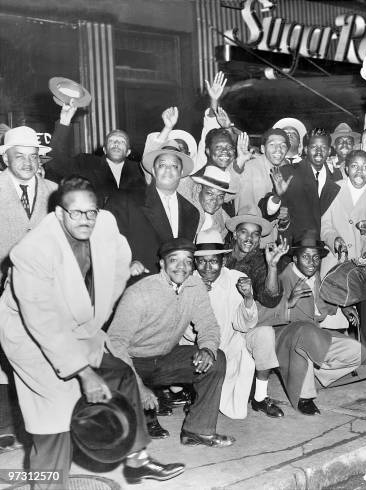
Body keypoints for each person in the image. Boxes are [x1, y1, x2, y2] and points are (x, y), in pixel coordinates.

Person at [0, 176, 184, 486]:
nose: (86, 220)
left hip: (73, 325)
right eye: (77, 213)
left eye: (91, 212)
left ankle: (137, 460)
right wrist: (84, 373)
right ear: (59, 214)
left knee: (121, 375)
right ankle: (47, 482)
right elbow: (43, 323)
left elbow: (117, 257)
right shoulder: (32, 251)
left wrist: (124, 273)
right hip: (29, 336)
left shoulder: (105, 224)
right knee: (55, 417)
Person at [106, 237, 234, 447]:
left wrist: (207, 350)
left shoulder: (195, 287)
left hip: (165, 359)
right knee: (123, 438)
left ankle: (197, 431)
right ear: (162, 264)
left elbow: (209, 325)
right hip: (130, 363)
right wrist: (138, 385)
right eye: (174, 260)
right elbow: (115, 344)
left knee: (217, 360)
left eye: (188, 261)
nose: (182, 267)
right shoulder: (139, 293)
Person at [258, 234, 365, 415]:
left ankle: (315, 372)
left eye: (316, 257)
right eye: (306, 256)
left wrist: (344, 306)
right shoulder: (281, 277)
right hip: (286, 339)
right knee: (305, 331)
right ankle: (304, 397)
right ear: (294, 258)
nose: (312, 262)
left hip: (314, 334)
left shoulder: (315, 275)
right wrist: (289, 303)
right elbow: (264, 315)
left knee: (357, 352)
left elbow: (323, 303)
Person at [0, 125, 57, 453]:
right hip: (1, 283)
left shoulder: (54, 190)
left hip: (43, 288)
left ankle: (45, 425)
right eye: (18, 156)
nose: (26, 162)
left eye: (32, 156)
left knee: (41, 352)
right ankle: (6, 425)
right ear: (5, 158)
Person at [192, 229, 284, 418]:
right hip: (199, 349)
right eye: (201, 261)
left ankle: (260, 396)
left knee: (264, 333)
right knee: (215, 402)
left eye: (214, 261)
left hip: (232, 346)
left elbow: (245, 325)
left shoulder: (235, 278)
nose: (207, 267)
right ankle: (193, 392)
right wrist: (197, 296)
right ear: (195, 262)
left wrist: (248, 298)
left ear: (223, 261)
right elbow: (185, 333)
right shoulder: (189, 281)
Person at [106, 141, 199, 279]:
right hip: (135, 286)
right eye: (162, 165)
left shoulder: (192, 212)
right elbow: (106, 240)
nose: (168, 170)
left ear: (181, 172)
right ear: (153, 170)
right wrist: (125, 264)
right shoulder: (125, 199)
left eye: (174, 166)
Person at [46, 101, 145, 207]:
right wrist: (64, 121)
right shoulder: (87, 163)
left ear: (128, 152)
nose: (116, 143)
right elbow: (57, 162)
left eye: (122, 141)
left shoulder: (139, 170)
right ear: (104, 150)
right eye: (111, 140)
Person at [262, 128, 341, 243]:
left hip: (323, 247)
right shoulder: (287, 172)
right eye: (314, 147)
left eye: (323, 148)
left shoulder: (336, 176)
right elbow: (267, 209)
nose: (319, 152)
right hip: (293, 246)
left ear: (329, 151)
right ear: (305, 150)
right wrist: (277, 197)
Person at [320, 149, 366, 262]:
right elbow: (324, 224)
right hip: (335, 259)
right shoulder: (332, 189)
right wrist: (334, 239)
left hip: (363, 261)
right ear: (347, 169)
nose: (360, 171)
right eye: (354, 166)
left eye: (365, 167)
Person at [225, 212, 290, 308]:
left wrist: (272, 267)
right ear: (235, 234)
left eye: (255, 234)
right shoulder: (221, 254)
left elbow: (270, 300)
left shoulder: (261, 261)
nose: (249, 238)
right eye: (244, 232)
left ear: (259, 239)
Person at [190, 165, 235, 237]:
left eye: (220, 196)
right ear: (199, 189)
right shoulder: (185, 211)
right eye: (210, 193)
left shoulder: (222, 218)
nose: (214, 200)